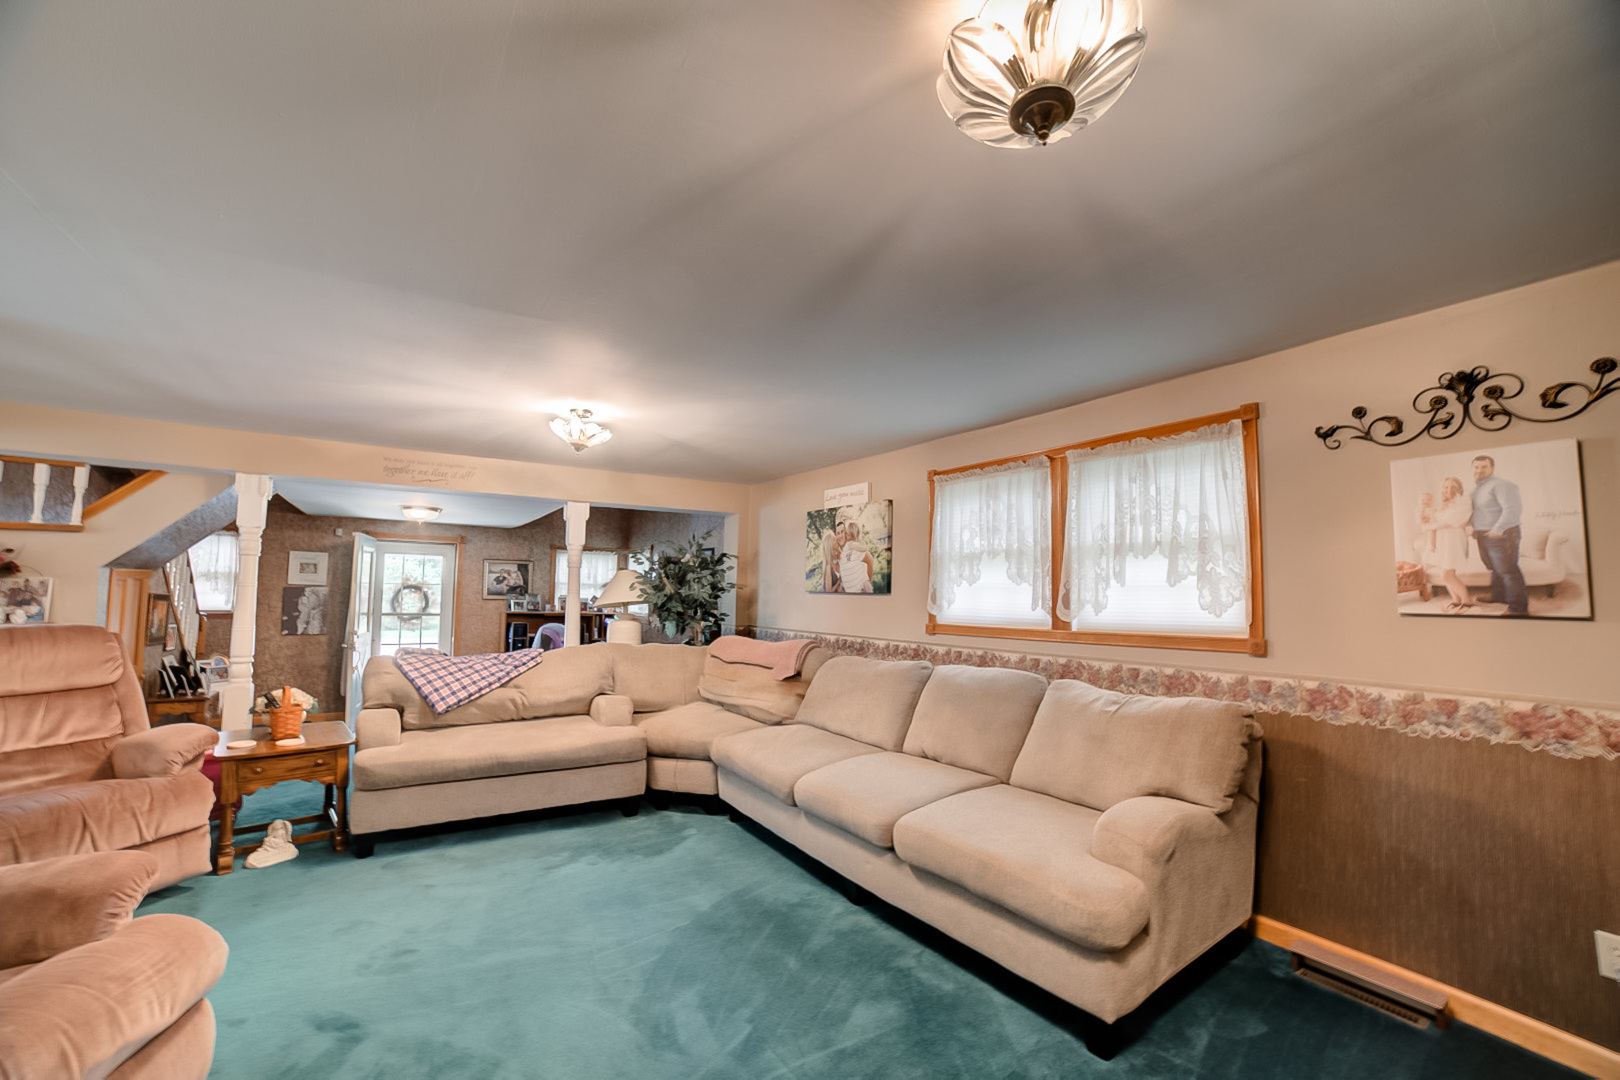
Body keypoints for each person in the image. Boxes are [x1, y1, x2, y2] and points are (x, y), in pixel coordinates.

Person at [1468, 455, 1527, 616]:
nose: (1479, 470)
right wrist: (1473, 528)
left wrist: (1497, 530)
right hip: (1483, 534)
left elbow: (1512, 509)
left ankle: (1518, 609)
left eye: (1484, 467)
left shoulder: (1502, 485)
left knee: (1508, 570)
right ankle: (1499, 597)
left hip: (1501, 534)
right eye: (1476, 467)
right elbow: (1480, 512)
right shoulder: (1476, 489)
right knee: (1495, 568)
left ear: (1492, 468)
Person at [1418, 477, 1472, 612]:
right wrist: (1426, 522)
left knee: (1448, 575)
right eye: (1446, 487)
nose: (1449, 490)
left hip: (1454, 540)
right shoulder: (1442, 505)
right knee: (1444, 574)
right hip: (1443, 540)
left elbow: (1451, 521)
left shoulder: (1463, 501)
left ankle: (1467, 601)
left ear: (1459, 488)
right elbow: (1433, 520)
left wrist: (1430, 527)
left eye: (1453, 487)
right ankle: (1456, 600)